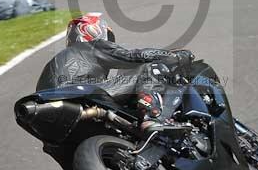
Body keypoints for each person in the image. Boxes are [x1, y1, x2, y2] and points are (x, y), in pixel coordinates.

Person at [36, 13, 193, 132]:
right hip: (81, 95)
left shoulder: (52, 65)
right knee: (147, 68)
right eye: (108, 37)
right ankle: (153, 116)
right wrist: (173, 56)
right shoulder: (92, 46)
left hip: (48, 118)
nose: (109, 42)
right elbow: (135, 56)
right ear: (93, 31)